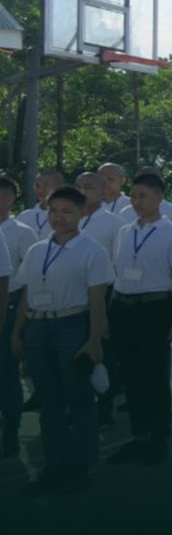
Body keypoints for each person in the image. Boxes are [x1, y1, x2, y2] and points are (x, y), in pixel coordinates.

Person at [12, 186, 113, 494]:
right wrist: (18, 332)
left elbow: (97, 300)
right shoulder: (37, 250)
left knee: (79, 398)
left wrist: (94, 340)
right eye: (53, 211)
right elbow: (27, 294)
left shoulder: (91, 250)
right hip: (38, 328)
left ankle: (80, 467)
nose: (58, 218)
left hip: (72, 325)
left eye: (67, 211)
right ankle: (54, 465)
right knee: (50, 402)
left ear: (82, 213)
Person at [104, 173, 172, 466]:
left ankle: (158, 439)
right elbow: (117, 272)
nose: (137, 202)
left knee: (154, 376)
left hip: (154, 309)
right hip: (123, 307)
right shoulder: (125, 230)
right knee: (131, 375)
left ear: (159, 197)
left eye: (143, 196)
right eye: (134, 196)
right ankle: (139, 436)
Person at [75, 171, 125, 424]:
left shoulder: (114, 223)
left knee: (104, 352)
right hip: (73, 297)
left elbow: (119, 264)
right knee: (75, 350)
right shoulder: (68, 218)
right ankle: (80, 406)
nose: (83, 192)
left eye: (89, 187)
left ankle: (105, 407)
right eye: (78, 186)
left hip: (102, 296)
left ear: (104, 192)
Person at [0, 176, 36, 457]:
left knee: (7, 374)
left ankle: (10, 433)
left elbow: (28, 279)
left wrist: (19, 322)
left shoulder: (22, 232)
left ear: (12, 198)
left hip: (9, 307)